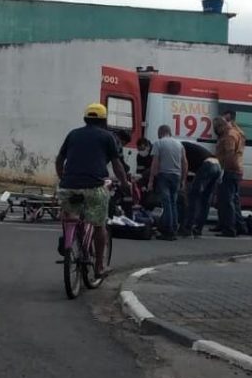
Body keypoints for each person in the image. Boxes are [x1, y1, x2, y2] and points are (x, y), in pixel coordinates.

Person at [56, 103, 129, 279]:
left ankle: (68, 240)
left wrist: (63, 180)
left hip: (68, 187)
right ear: (104, 121)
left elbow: (59, 160)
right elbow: (117, 164)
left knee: (70, 216)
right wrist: (125, 183)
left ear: (85, 119)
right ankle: (99, 267)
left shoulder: (73, 134)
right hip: (94, 187)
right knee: (99, 224)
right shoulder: (107, 137)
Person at [147, 125, 187, 241]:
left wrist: (151, 180)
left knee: (166, 203)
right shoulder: (179, 144)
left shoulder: (158, 143)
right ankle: (174, 227)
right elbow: (185, 162)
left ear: (161, 132)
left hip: (164, 175)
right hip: (176, 176)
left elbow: (155, 163)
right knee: (173, 203)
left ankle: (168, 231)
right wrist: (183, 179)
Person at [213, 116, 244, 237]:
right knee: (231, 200)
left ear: (221, 126)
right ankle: (234, 225)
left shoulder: (229, 136)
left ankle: (229, 228)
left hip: (229, 171)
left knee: (227, 201)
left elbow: (229, 155)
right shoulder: (234, 133)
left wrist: (223, 171)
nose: (215, 131)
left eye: (216, 128)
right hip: (235, 170)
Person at [181, 155, 223, 237]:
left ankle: (188, 228)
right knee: (206, 200)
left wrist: (183, 182)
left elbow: (184, 165)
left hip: (208, 165)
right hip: (218, 166)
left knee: (194, 197)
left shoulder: (182, 151)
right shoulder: (186, 147)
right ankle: (198, 229)